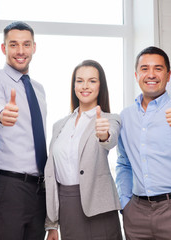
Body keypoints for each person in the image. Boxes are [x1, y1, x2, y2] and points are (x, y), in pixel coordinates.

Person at [115, 46, 171, 240]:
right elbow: (124, 163)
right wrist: (125, 203)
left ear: (168, 75)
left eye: (158, 68)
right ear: (136, 74)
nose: (151, 74)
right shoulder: (126, 116)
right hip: (136, 213)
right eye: (145, 68)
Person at [0, 21, 47, 239]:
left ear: (34, 48)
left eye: (26, 45)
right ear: (4, 48)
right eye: (14, 45)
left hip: (39, 189)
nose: (20, 51)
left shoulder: (38, 89)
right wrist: (2, 113)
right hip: (10, 187)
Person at [45, 60, 123, 240]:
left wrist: (104, 135)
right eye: (80, 81)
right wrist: (51, 223)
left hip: (99, 206)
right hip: (67, 206)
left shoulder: (110, 119)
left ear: (100, 86)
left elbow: (109, 140)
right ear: (74, 86)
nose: (85, 86)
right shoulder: (59, 126)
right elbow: (51, 174)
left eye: (92, 81)